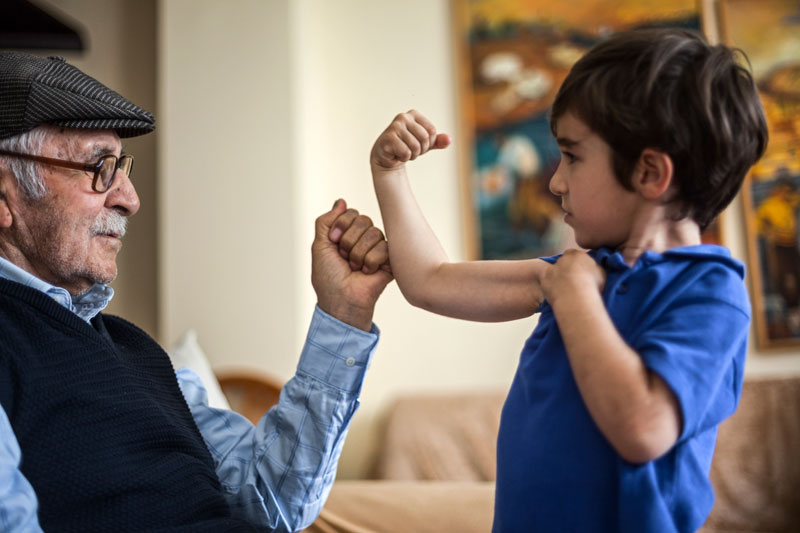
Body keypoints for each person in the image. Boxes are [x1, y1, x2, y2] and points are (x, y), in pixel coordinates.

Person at [369, 28, 767, 532]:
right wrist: (390, 175)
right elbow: (429, 281)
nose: (555, 181)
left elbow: (643, 428)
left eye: (573, 156)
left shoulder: (710, 292)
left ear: (650, 173)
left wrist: (574, 292)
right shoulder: (571, 272)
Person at [0, 51, 393, 532]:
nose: (130, 199)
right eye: (99, 167)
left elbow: (270, 500)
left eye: (121, 167)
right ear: (4, 195)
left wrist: (342, 312)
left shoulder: (136, 349)